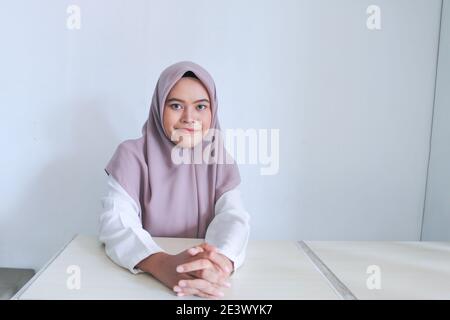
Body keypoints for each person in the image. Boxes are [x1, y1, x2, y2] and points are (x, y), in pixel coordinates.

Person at [99, 61, 250, 299]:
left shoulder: (218, 159)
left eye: (201, 106)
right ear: (159, 108)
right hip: (143, 282)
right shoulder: (132, 155)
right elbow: (116, 223)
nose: (190, 118)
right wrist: (161, 264)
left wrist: (218, 261)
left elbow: (233, 217)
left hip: (203, 286)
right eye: (177, 105)